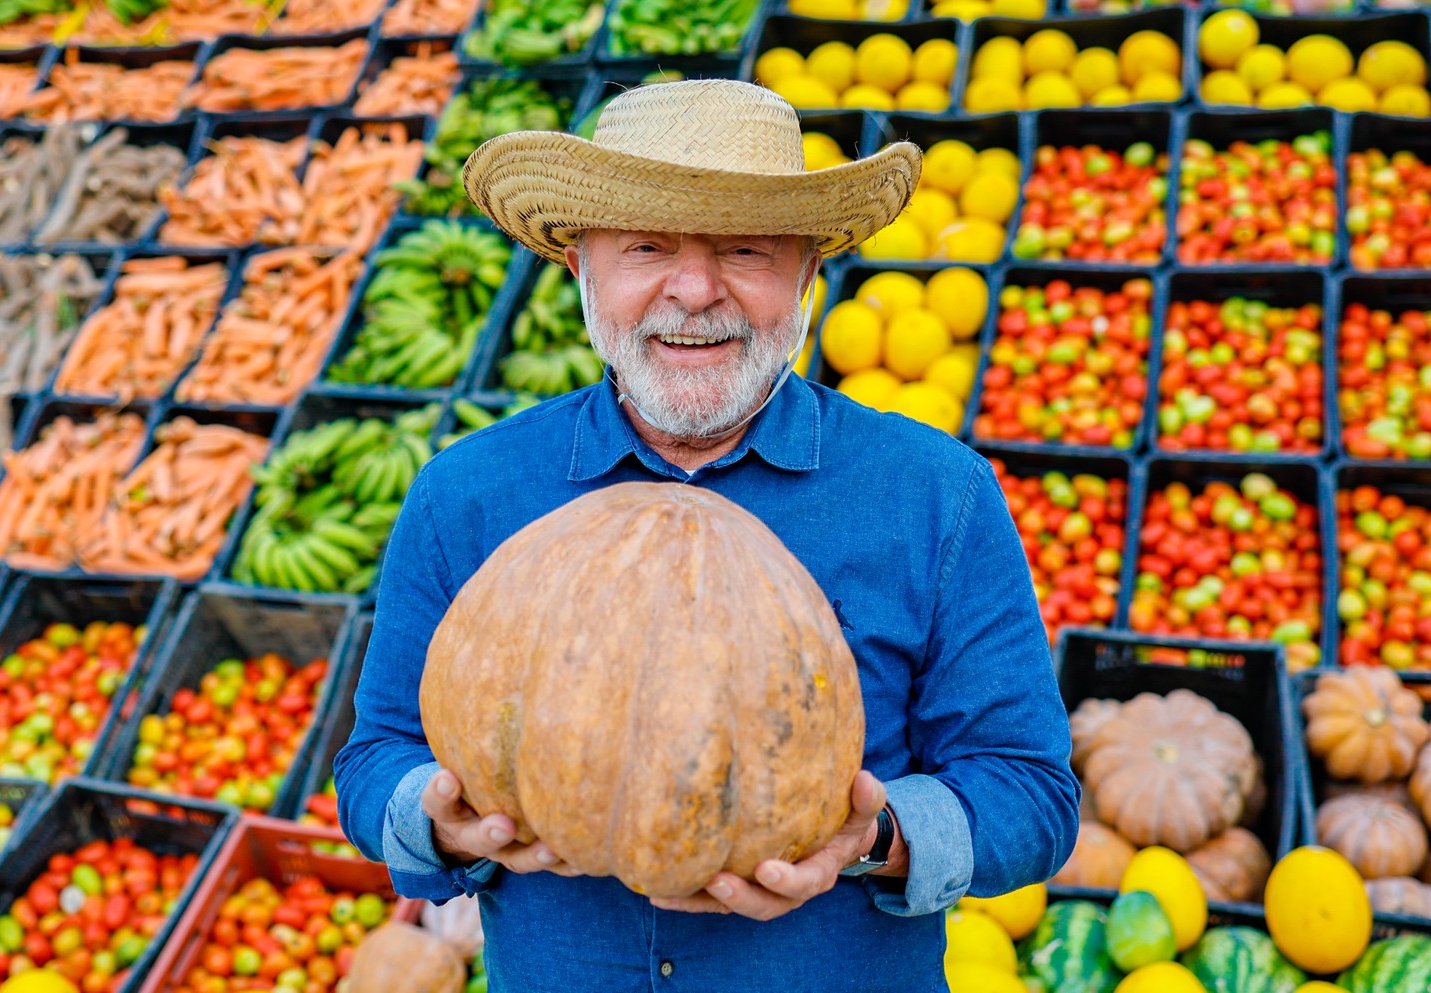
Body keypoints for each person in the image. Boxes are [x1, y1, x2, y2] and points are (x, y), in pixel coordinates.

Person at [335, 78, 1079, 992]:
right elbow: (375, 761)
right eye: (646, 246)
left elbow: (1033, 796)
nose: (694, 290)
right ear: (582, 270)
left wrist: (876, 835)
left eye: (744, 249)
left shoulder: (936, 494)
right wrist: (438, 818)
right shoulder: (468, 494)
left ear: (807, 274)